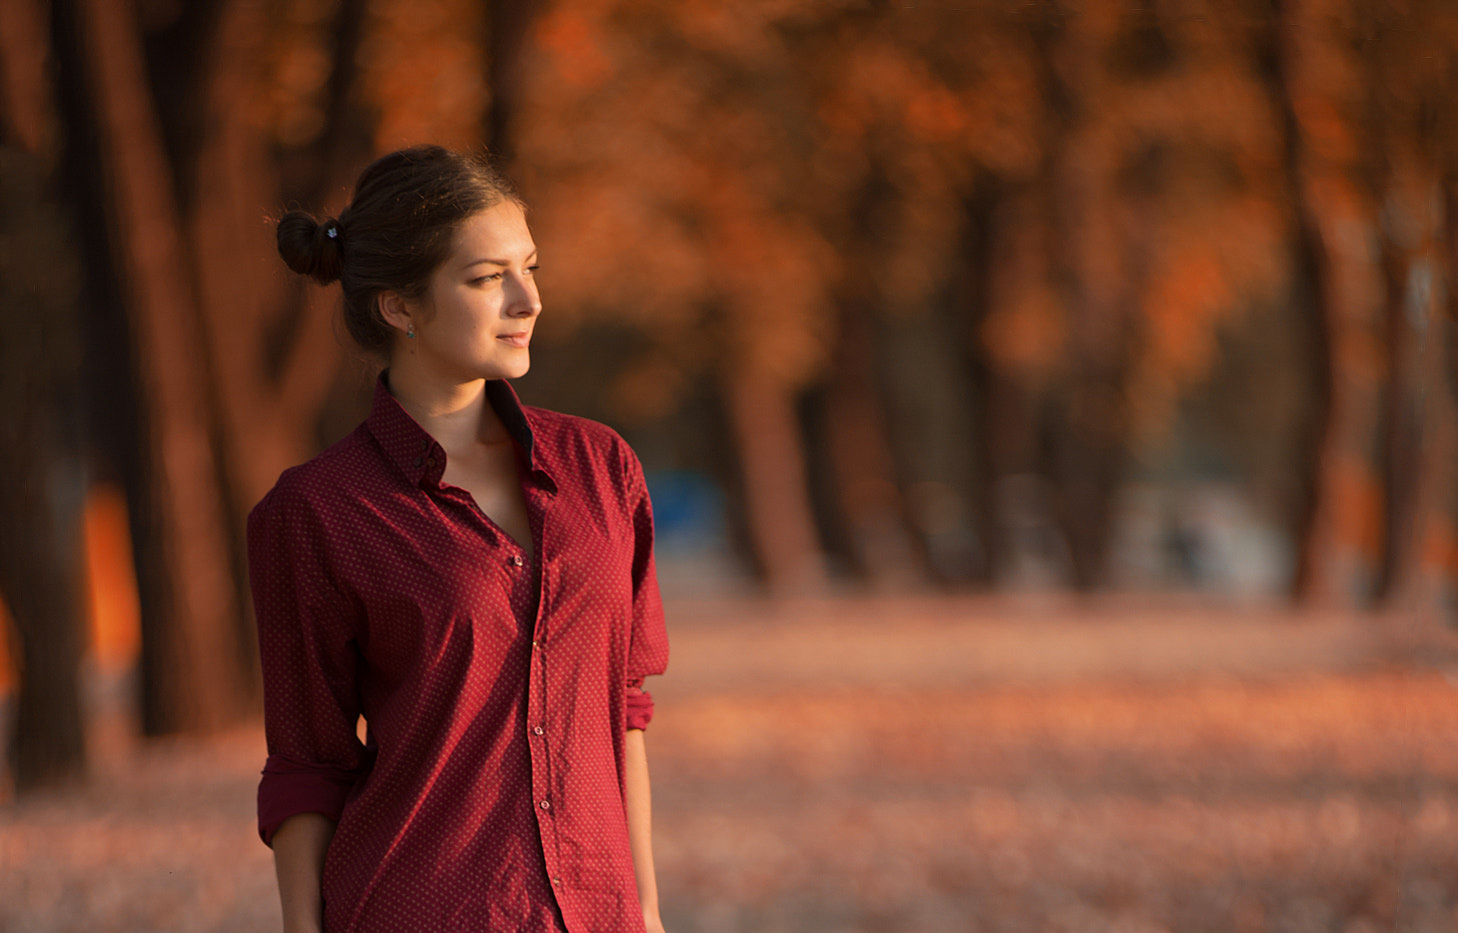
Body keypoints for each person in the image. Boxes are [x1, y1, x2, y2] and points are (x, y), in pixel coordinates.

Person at [250, 145, 670, 933]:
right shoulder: (316, 512)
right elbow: (309, 761)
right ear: (400, 307)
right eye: (486, 279)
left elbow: (623, 708)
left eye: (529, 266)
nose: (528, 299)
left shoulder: (602, 468)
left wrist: (644, 911)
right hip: (421, 907)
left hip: (598, 908)